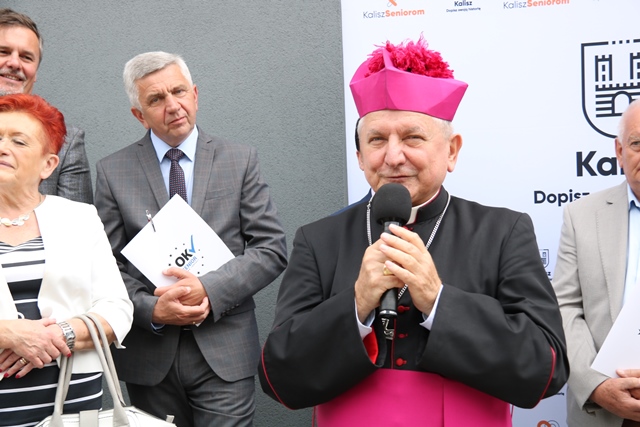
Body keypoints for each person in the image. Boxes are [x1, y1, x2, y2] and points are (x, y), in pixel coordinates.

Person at [259, 37, 569, 426]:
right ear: (360, 157)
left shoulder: (502, 232)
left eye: (412, 137)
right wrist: (356, 304)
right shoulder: (319, 240)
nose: (393, 156)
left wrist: (439, 302)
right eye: (377, 140)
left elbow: (545, 370)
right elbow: (279, 378)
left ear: (451, 151)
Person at [94, 51, 287, 427]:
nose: (172, 105)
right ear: (139, 115)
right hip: (149, 356)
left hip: (224, 350)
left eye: (179, 91)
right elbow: (104, 265)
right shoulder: (113, 171)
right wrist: (151, 310)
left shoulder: (240, 160)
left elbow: (271, 248)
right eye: (156, 99)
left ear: (195, 95)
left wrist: (210, 289)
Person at [0, 94, 133, 427]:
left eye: (18, 141)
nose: (3, 148)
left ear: (48, 165)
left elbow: (117, 308)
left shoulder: (79, 218)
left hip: (73, 404)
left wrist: (57, 335)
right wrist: (7, 334)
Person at [553, 100, 640, 427]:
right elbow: (564, 307)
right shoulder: (581, 216)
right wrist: (596, 385)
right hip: (604, 413)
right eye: (637, 143)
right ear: (619, 151)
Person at [0, 8, 93, 203]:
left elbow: (75, 219)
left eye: (26, 57)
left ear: (36, 73)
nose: (15, 63)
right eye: (3, 52)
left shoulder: (65, 142)